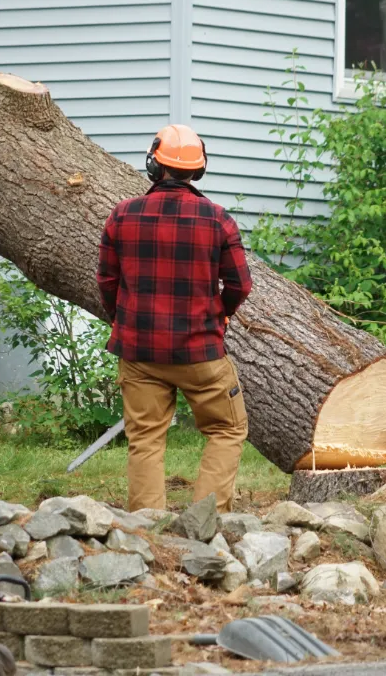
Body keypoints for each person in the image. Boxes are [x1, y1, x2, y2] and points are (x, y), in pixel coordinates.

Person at [96, 124, 253, 513]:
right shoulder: (218, 220)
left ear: (154, 164)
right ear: (198, 170)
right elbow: (240, 285)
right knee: (227, 428)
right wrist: (220, 313)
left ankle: (146, 531)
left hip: (139, 352)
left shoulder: (122, 215)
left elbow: (107, 281)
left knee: (145, 438)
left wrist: (126, 321)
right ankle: (206, 521)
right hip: (200, 352)